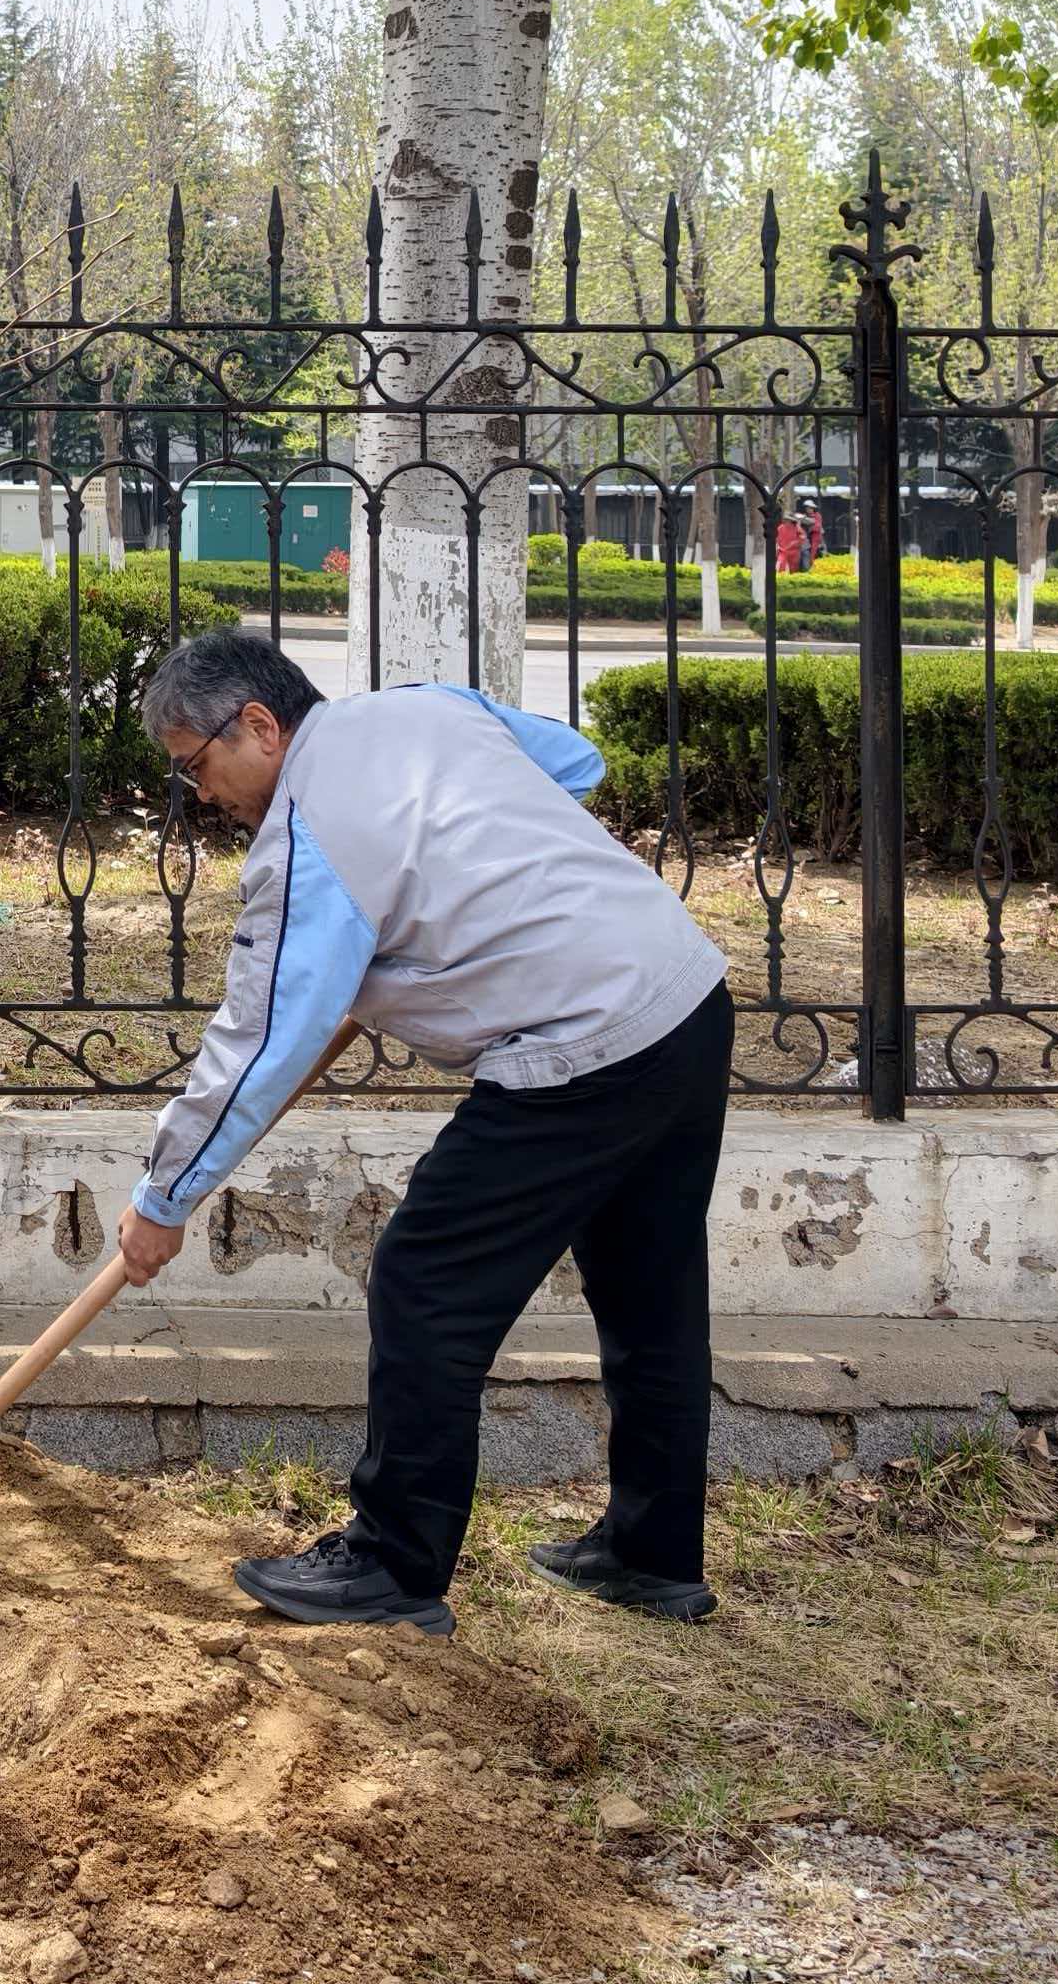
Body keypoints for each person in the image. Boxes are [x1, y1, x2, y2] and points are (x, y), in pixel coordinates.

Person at [114, 628, 734, 1634]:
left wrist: (163, 1201)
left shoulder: (305, 844)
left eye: (195, 767)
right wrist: (460, 875)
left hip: (582, 1045)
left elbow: (255, 1046)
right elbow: (576, 762)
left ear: (259, 726)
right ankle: (651, 1555)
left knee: (423, 1281)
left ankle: (393, 1567)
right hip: (681, 997)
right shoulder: (423, 706)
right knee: (648, 1289)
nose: (203, 797)